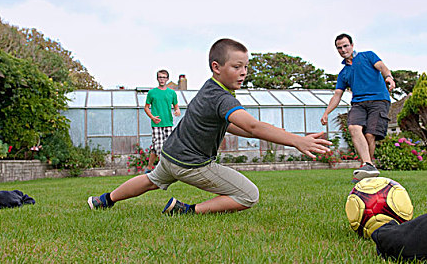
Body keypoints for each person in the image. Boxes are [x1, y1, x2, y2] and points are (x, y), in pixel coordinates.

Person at [88, 38, 331, 214]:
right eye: (237, 67)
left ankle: (104, 200)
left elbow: (233, 126)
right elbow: (254, 127)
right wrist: (297, 140)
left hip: (171, 155)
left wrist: (254, 132)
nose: (243, 72)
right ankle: (187, 210)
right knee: (248, 195)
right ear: (216, 67)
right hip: (191, 164)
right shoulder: (222, 98)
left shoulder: (209, 89)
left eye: (246, 67)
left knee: (151, 179)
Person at [321, 33, 395, 182]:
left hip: (379, 100)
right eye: (339, 48)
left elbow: (381, 66)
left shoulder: (367, 56)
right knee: (354, 128)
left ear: (352, 45)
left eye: (345, 46)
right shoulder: (343, 73)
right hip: (358, 103)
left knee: (369, 135)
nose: (343, 50)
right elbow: (337, 95)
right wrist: (326, 112)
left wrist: (389, 77)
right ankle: (368, 165)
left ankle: (366, 165)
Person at [144, 69, 181, 172]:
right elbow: (146, 107)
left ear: (167, 79)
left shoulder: (172, 93)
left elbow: (176, 107)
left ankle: (149, 167)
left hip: (168, 123)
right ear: (157, 78)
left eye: (164, 77)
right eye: (160, 77)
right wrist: (152, 117)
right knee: (159, 147)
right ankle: (163, 170)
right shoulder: (152, 93)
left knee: (165, 147)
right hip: (157, 124)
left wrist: (177, 111)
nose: (162, 79)